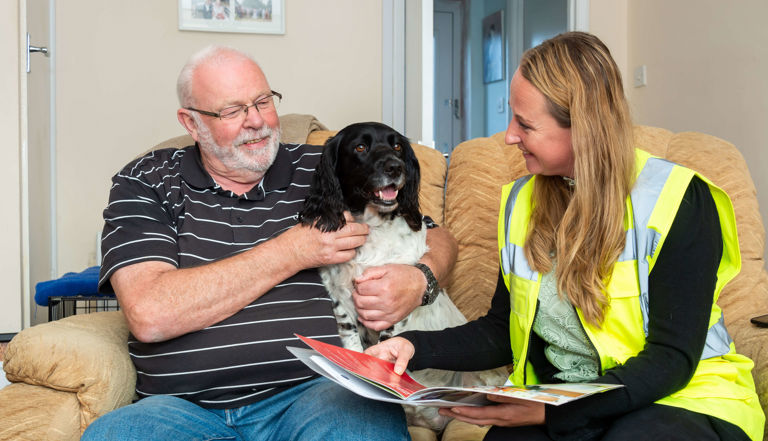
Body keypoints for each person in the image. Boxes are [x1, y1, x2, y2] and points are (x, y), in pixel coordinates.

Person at [366, 32, 764, 441]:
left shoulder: (678, 199)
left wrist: (553, 414)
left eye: (525, 124)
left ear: (583, 128)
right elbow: (503, 329)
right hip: (568, 397)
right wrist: (414, 347)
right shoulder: (521, 202)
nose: (509, 136)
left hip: (681, 399)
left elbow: (671, 358)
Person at [82, 45, 458, 441]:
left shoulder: (326, 166)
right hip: (180, 408)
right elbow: (150, 313)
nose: (257, 121)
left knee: (361, 426)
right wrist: (292, 251)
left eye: (263, 101)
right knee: (117, 434)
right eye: (233, 111)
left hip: (320, 394)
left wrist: (422, 277)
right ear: (191, 122)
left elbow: (432, 233)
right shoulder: (148, 181)